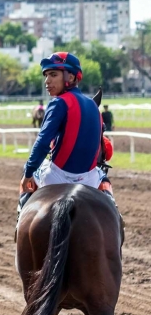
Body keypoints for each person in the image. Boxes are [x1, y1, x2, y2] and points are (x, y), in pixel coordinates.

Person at [18, 52, 115, 219]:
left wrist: (28, 173)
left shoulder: (58, 102)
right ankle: (116, 219)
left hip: (55, 177)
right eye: (46, 75)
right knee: (105, 181)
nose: (47, 81)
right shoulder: (93, 106)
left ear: (70, 77)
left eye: (53, 75)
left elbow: (42, 143)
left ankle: (21, 222)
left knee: (28, 174)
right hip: (89, 179)